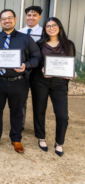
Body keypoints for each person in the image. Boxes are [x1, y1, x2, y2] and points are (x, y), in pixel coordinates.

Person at [0, 9, 41, 153]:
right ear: (0, 21)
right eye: (3, 18)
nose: (7, 20)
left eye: (10, 18)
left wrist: (26, 65)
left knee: (17, 111)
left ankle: (16, 138)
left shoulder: (25, 39)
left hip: (18, 82)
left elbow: (36, 57)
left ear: (15, 19)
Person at [31, 17, 75, 157]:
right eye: (48, 26)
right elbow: (35, 63)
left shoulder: (69, 44)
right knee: (39, 110)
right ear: (44, 29)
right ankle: (41, 137)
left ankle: (59, 142)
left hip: (59, 84)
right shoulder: (39, 44)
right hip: (41, 82)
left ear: (59, 27)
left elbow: (70, 61)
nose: (51, 28)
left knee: (62, 115)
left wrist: (71, 72)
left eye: (53, 25)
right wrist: (42, 69)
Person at [18, 6, 43, 130]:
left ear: (39, 17)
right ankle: (20, 125)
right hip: (23, 71)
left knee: (39, 101)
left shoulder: (45, 33)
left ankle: (38, 129)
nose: (31, 17)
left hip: (40, 72)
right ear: (25, 17)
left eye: (34, 15)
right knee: (22, 99)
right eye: (29, 15)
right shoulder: (19, 32)